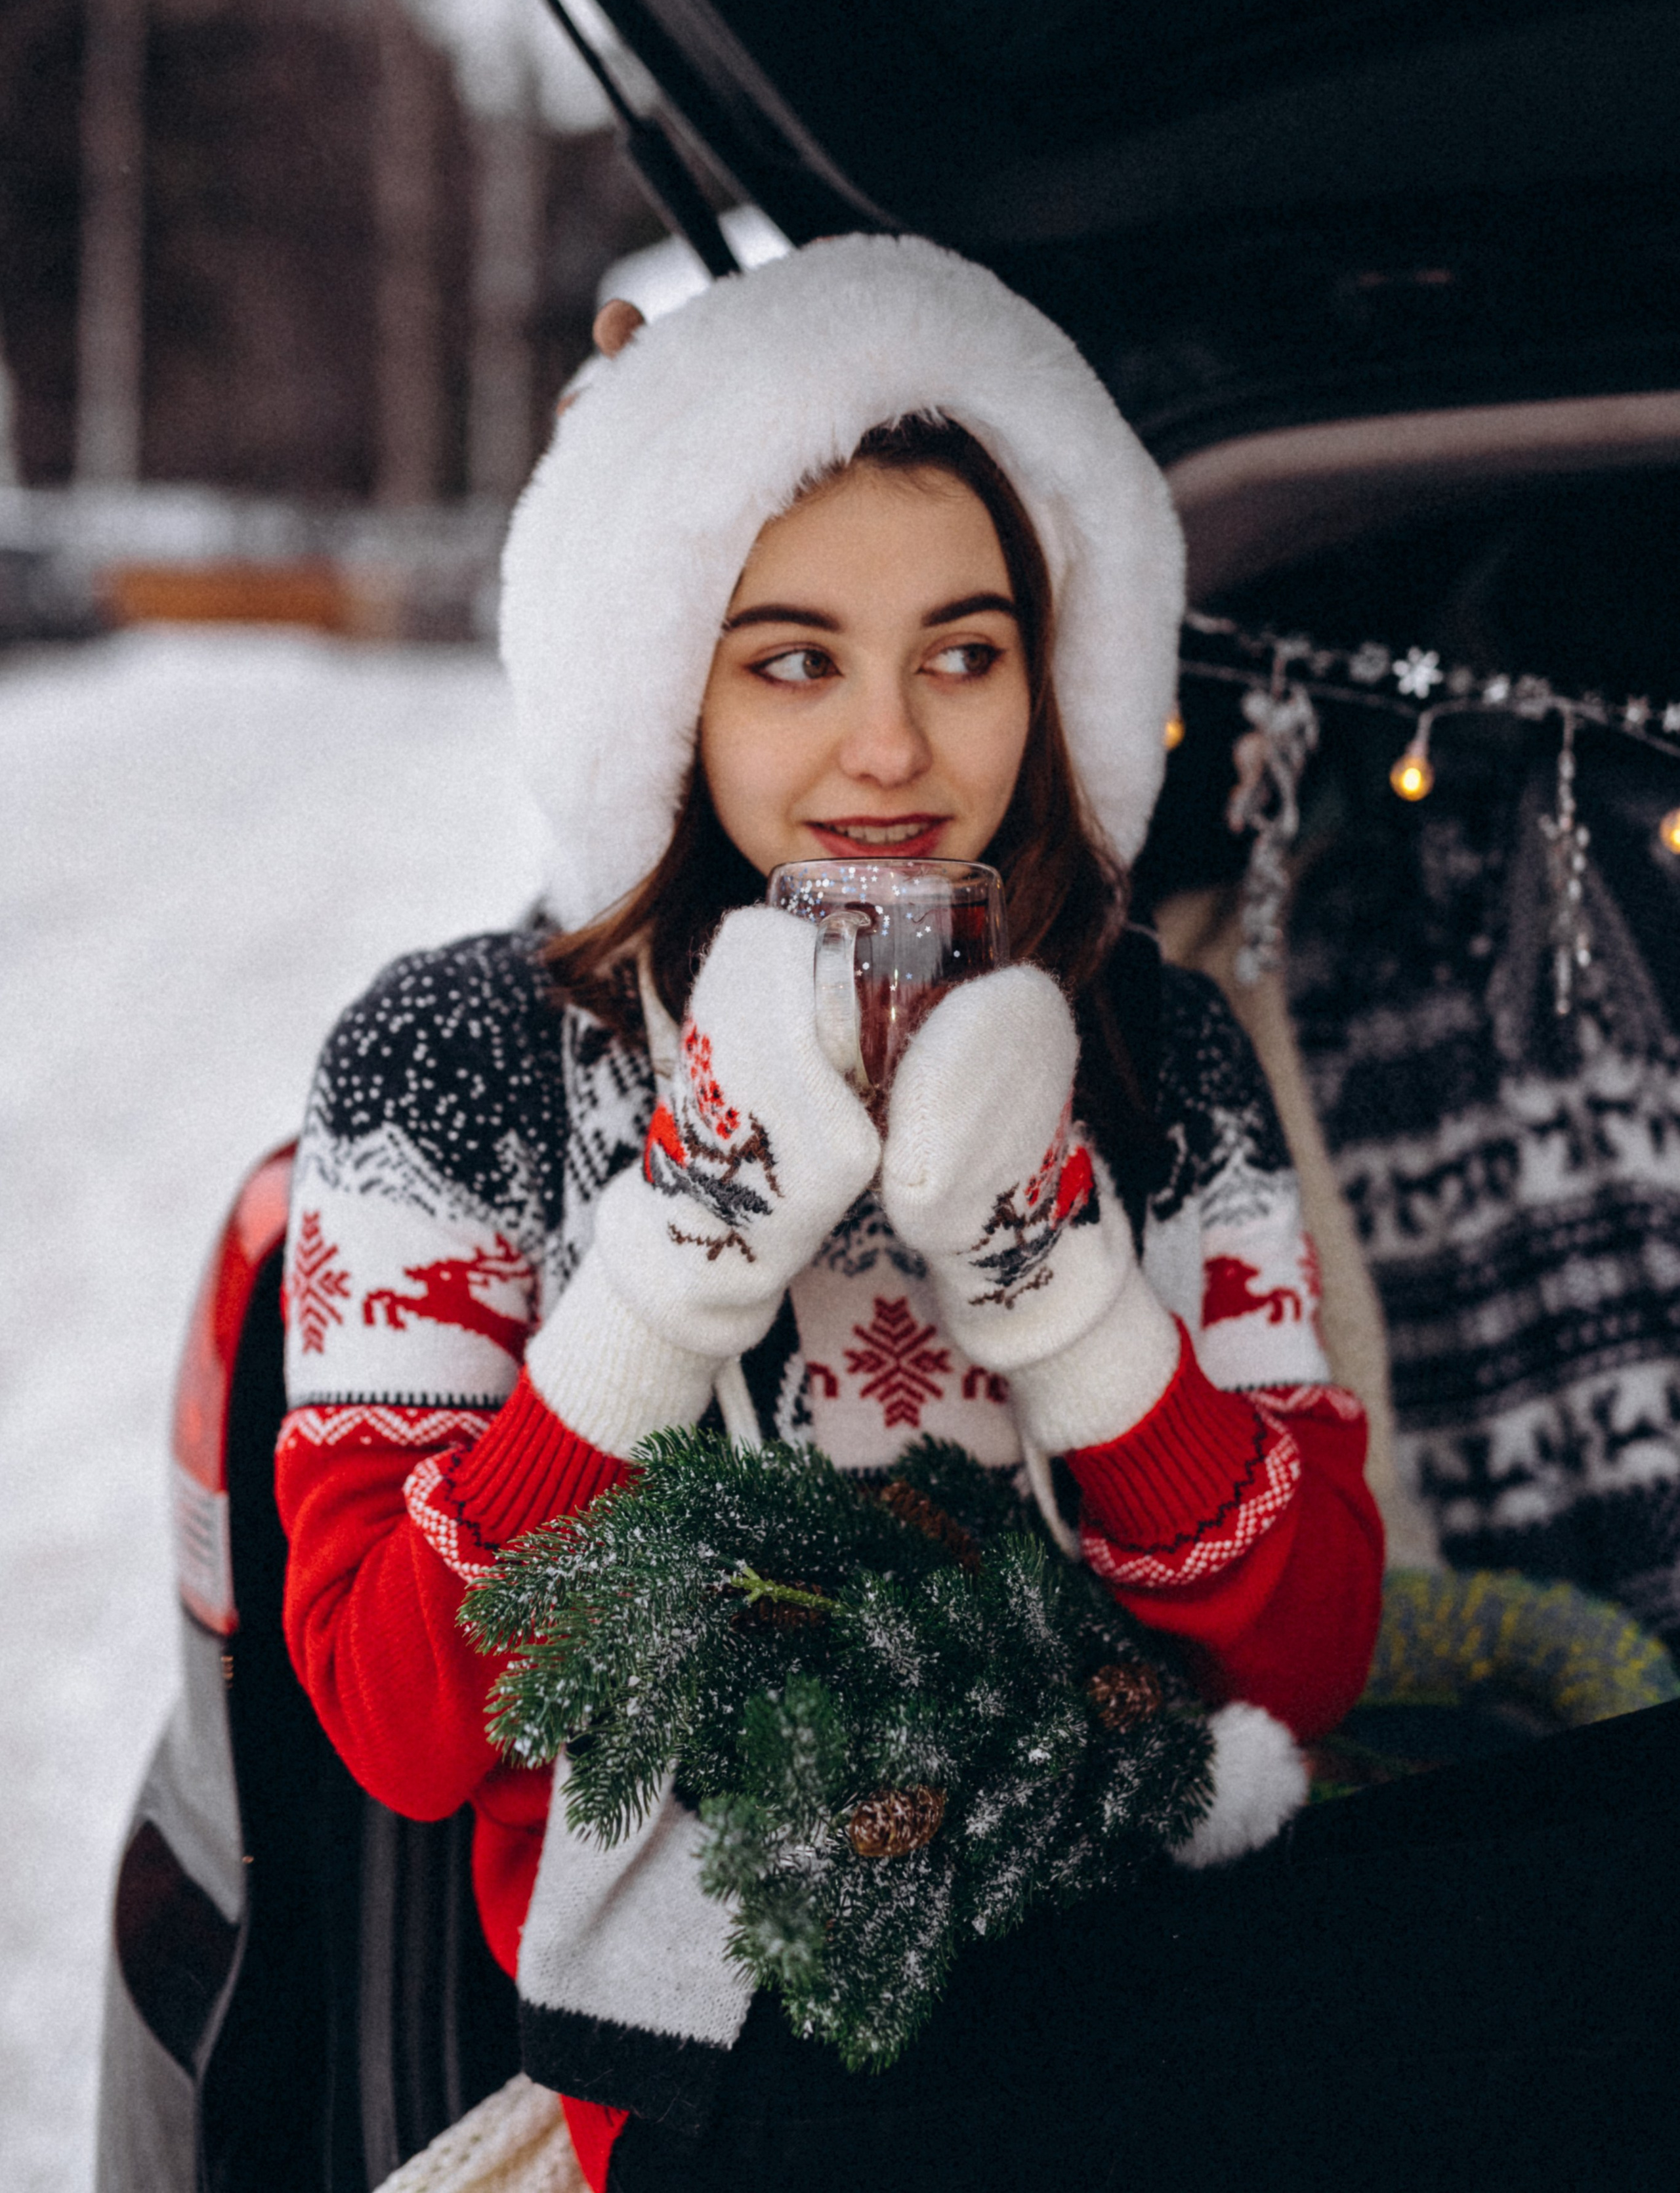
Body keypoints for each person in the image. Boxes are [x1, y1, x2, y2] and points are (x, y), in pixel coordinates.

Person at [276, 236, 1383, 2192]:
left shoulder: (1160, 1045)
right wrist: (675, 1263)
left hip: (1159, 1958)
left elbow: (1305, 1661)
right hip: (727, 2057)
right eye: (794, 660)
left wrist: (1060, 1291)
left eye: (966, 654)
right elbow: (395, 1719)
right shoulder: (452, 1054)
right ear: (660, 681)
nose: (895, 750)